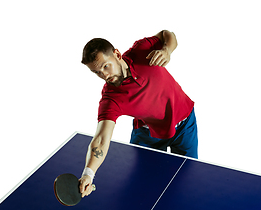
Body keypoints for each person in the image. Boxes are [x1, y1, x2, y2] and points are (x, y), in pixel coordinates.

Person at [79, 30, 198, 197]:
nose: (104, 75)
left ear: (117, 54)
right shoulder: (110, 99)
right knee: (142, 182)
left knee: (188, 178)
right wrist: (88, 174)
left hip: (184, 124)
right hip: (148, 133)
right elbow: (101, 138)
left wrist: (167, 50)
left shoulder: (141, 51)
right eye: (97, 72)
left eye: (106, 66)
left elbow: (167, 34)